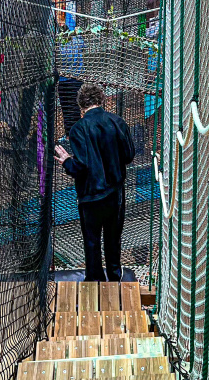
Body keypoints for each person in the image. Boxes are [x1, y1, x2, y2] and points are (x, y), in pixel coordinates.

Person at [54, 83, 136, 282]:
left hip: (90, 197)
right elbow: (129, 155)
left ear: (81, 106)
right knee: (113, 239)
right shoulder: (117, 122)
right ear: (103, 100)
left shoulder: (78, 130)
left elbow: (80, 167)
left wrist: (67, 161)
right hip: (115, 193)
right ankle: (115, 278)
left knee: (92, 242)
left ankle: (94, 280)